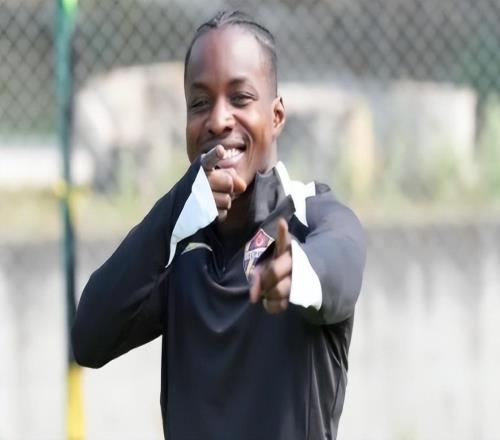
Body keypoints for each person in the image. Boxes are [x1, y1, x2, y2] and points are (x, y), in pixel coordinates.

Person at [72, 10, 366, 440]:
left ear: (276, 116)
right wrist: (177, 207)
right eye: (199, 103)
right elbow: (89, 338)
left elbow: (342, 264)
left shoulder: (311, 218)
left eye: (240, 98)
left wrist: (297, 272)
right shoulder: (179, 247)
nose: (218, 120)